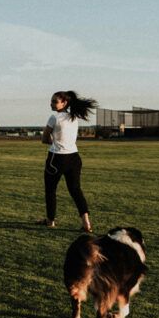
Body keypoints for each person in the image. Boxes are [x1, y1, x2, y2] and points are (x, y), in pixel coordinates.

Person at [38, 90, 98, 232]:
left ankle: (50, 221)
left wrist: (54, 142)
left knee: (51, 190)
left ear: (64, 103)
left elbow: (44, 139)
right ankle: (86, 223)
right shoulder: (74, 117)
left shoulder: (54, 117)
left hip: (57, 159)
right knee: (76, 190)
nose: (51, 104)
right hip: (74, 158)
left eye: (54, 101)